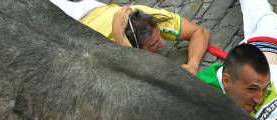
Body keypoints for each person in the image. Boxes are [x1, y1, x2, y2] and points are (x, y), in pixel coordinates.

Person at [50, 0, 210, 74]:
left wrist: (193, 65)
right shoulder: (104, 47)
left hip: (91, 7)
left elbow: (199, 32)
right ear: (136, 48)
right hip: (66, 22)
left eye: (159, 35)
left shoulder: (143, 15)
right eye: (154, 44)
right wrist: (119, 37)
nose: (162, 43)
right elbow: (139, 75)